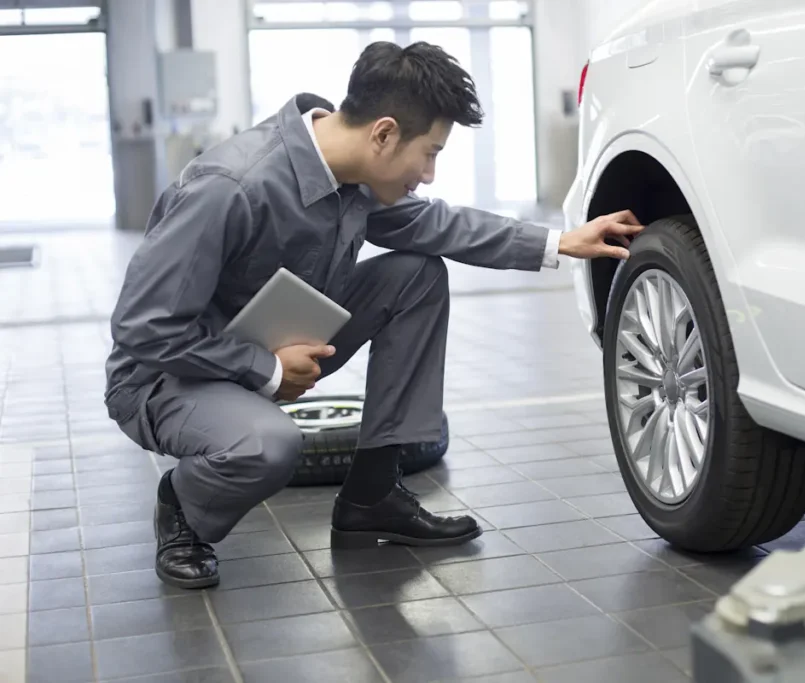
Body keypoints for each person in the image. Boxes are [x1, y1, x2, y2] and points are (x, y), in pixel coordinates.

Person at [104, 40, 644, 589]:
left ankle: (373, 494)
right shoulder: (231, 187)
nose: (430, 173)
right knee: (270, 444)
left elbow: (440, 226)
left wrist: (561, 240)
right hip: (168, 376)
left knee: (418, 274)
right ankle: (182, 509)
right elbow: (143, 328)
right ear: (384, 133)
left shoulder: (354, 176)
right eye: (429, 153)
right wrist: (264, 368)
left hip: (275, 346)